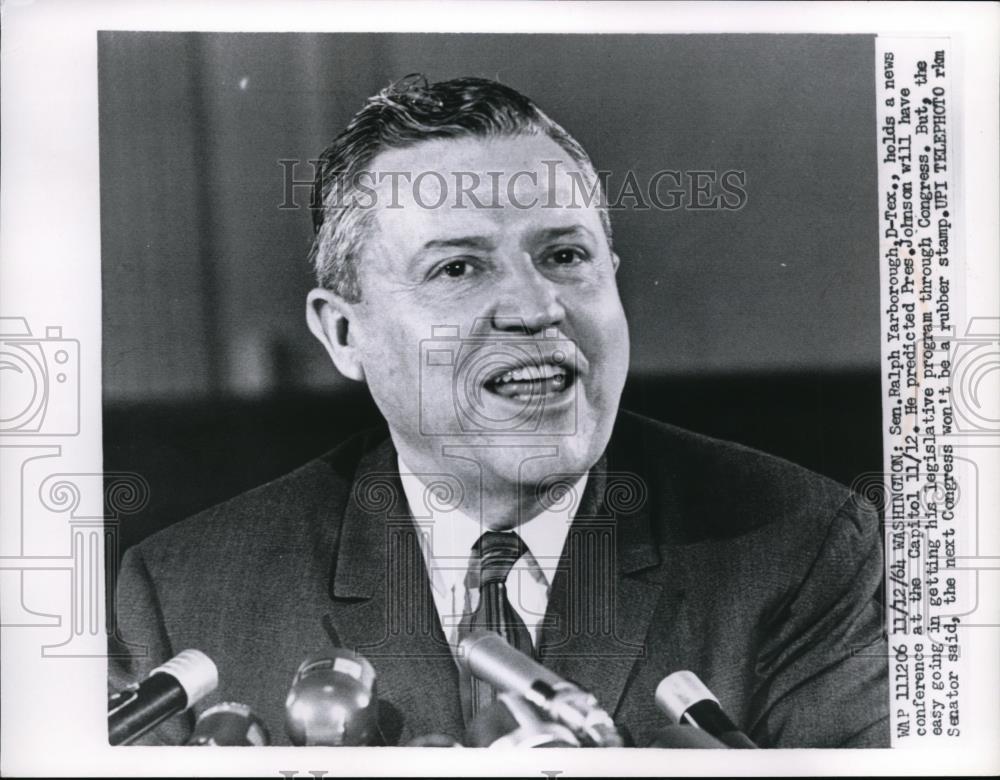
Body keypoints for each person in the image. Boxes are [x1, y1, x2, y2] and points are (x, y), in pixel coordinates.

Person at [111, 75, 889, 748]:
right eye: (458, 266)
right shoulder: (188, 595)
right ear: (346, 334)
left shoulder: (799, 548)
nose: (536, 306)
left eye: (565, 256)